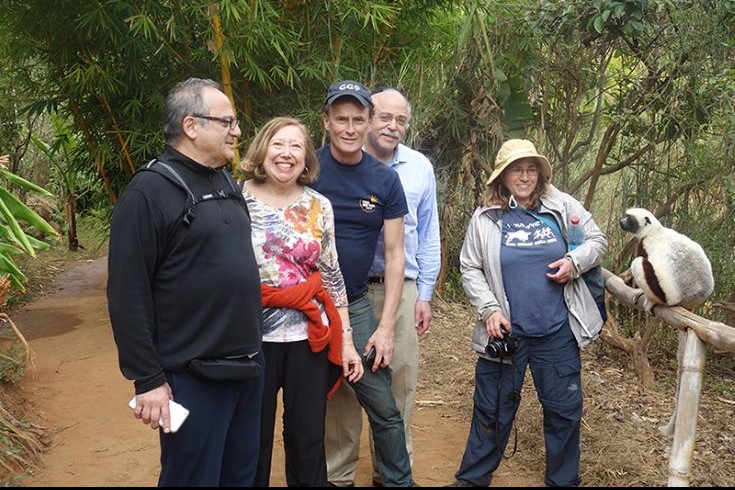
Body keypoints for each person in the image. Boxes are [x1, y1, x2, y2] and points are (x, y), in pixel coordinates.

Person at [107, 77, 265, 487]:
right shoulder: (148, 192)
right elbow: (128, 294)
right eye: (227, 121)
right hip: (192, 378)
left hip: (247, 367)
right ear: (192, 126)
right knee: (193, 479)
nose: (237, 131)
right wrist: (148, 380)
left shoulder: (225, 182)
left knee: (240, 476)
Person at [447, 139, 607, 487]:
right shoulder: (486, 217)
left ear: (540, 172)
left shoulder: (562, 206)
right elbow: (470, 267)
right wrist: (488, 309)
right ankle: (472, 480)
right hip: (506, 333)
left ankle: (563, 482)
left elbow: (596, 241)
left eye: (531, 168)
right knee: (492, 410)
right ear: (503, 176)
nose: (525, 176)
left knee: (564, 412)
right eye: (517, 170)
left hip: (556, 331)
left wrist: (574, 262)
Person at [239, 116, 365, 487]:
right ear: (262, 150)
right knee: (251, 436)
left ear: (306, 157)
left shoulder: (319, 206)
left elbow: (331, 274)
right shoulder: (235, 199)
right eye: (278, 144)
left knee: (308, 436)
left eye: (296, 146)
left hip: (308, 336)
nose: (286, 154)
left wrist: (347, 341)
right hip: (249, 336)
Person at [325, 87, 441, 487]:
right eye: (385, 118)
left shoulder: (417, 168)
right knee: (342, 385)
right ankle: (337, 473)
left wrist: (424, 293)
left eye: (401, 120)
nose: (392, 126)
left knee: (399, 383)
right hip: (342, 294)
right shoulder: (320, 167)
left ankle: (391, 473)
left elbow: (427, 234)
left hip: (400, 289)